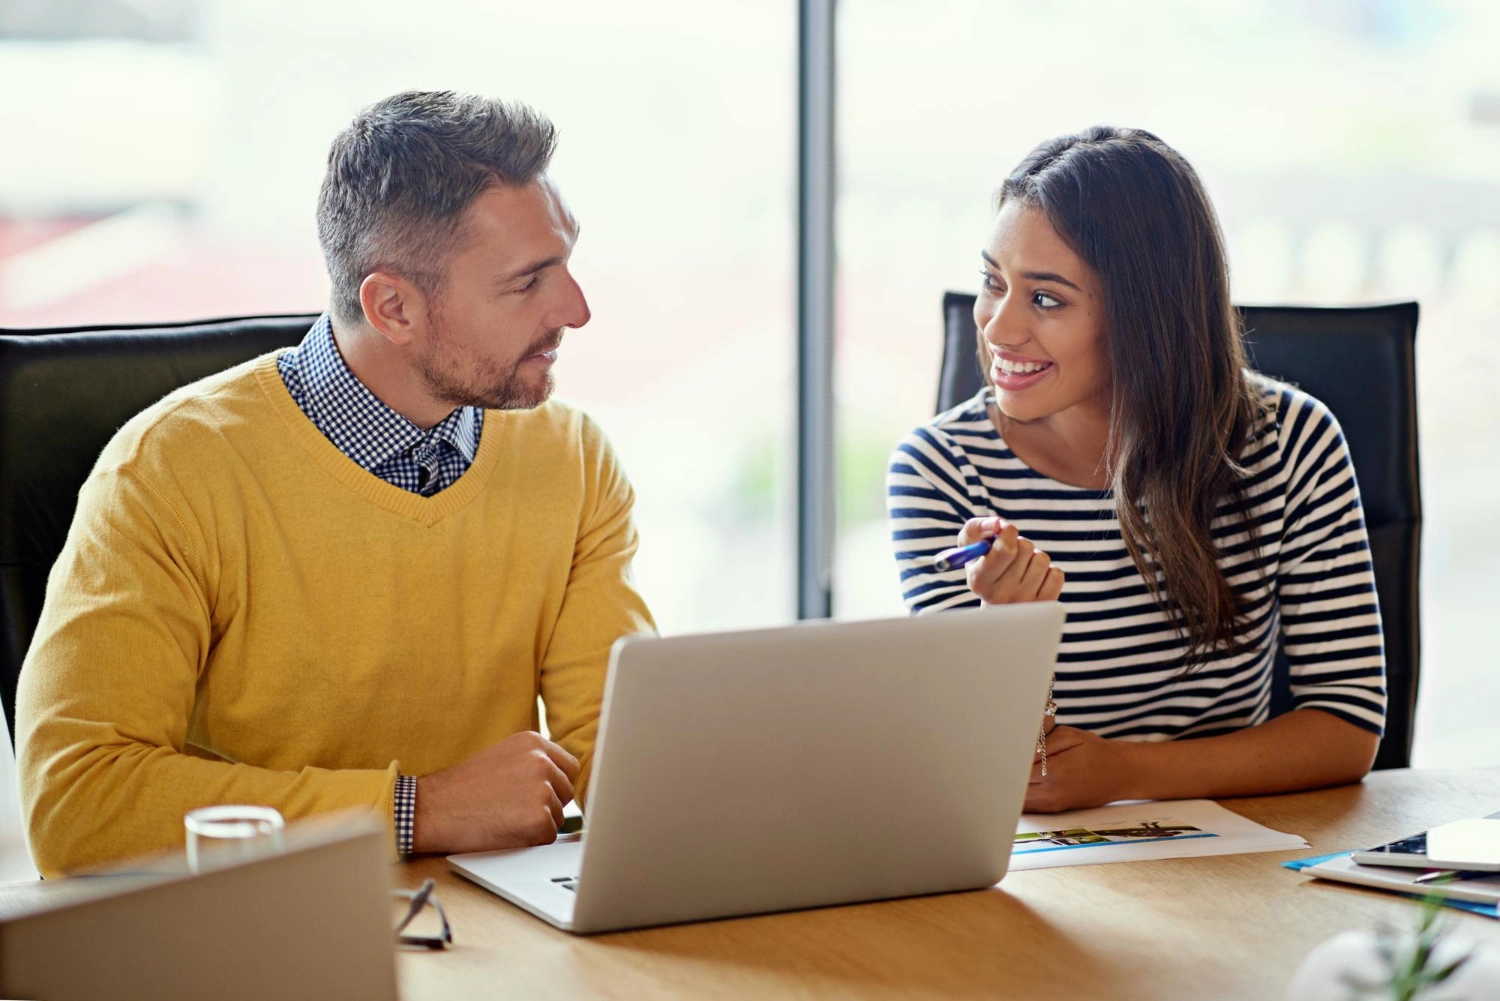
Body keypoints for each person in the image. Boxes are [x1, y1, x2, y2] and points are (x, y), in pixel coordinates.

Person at [16, 90, 655, 877]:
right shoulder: (168, 471)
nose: (578, 309)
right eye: (528, 282)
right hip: (257, 941)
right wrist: (418, 809)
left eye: (566, 262)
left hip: (494, 939)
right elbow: (77, 805)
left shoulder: (573, 459)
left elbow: (627, 768)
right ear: (392, 306)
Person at [887, 126, 1385, 813]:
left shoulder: (1292, 442)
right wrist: (1011, 636)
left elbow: (1347, 726)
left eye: (1046, 298)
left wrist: (1126, 772)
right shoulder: (940, 470)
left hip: (1233, 859)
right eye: (992, 283)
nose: (998, 328)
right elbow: (995, 769)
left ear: (1146, 314)